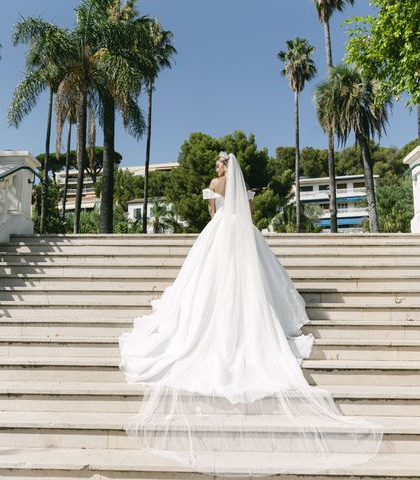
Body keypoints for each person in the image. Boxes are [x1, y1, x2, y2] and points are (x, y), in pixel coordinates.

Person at [118, 152, 382, 477]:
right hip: (243, 234)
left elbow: (213, 212)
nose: (216, 168)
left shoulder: (215, 183)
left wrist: (216, 206)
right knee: (251, 280)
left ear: (222, 167)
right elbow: (247, 213)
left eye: (218, 164)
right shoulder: (244, 190)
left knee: (208, 282)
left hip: (218, 235)